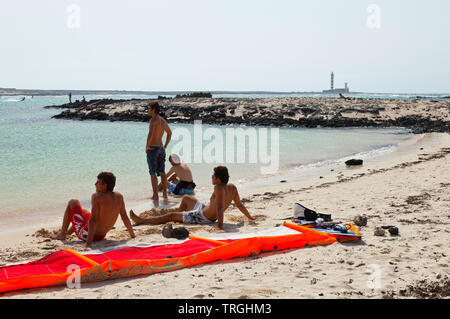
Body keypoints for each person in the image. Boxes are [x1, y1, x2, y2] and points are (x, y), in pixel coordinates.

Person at [130, 166, 255, 230]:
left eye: (213, 175)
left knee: (170, 215)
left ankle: (142, 221)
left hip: (202, 217)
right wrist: (250, 218)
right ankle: (179, 217)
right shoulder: (232, 187)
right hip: (204, 209)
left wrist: (220, 226)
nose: (211, 177)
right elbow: (240, 205)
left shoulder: (218, 188)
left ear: (218, 178)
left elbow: (220, 207)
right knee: (185, 197)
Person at [52, 172, 136, 247]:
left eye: (98, 182)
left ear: (104, 185)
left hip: (87, 234)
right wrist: (132, 235)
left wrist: (88, 243)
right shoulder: (119, 196)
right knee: (84, 211)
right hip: (102, 235)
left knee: (73, 202)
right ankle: (68, 233)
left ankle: (62, 234)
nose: (95, 184)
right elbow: (124, 216)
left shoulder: (97, 197)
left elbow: (93, 220)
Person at [146, 101, 172, 202]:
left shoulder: (153, 120)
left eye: (149, 109)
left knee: (152, 173)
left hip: (152, 148)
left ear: (154, 110)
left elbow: (150, 134)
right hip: (161, 148)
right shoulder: (162, 120)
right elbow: (169, 133)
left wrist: (146, 147)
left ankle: (155, 195)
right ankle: (165, 194)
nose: (148, 110)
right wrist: (165, 145)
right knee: (162, 172)